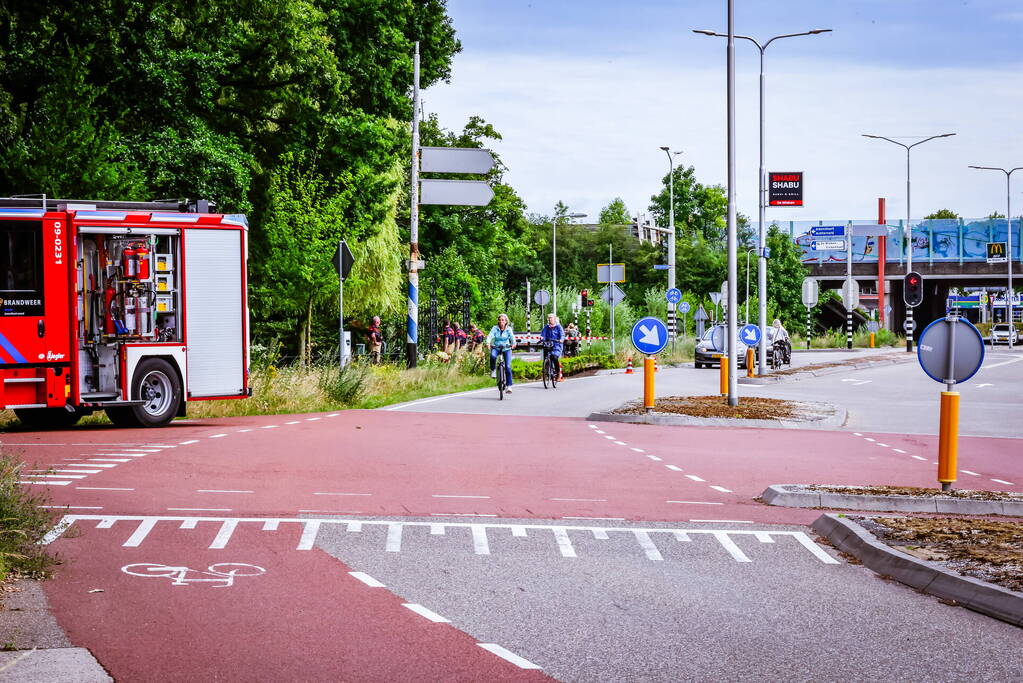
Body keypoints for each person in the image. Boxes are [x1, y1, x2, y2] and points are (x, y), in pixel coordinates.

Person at [486, 313, 516, 393]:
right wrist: (488, 343)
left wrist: (513, 343)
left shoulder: (508, 329)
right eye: (499, 320)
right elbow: (490, 335)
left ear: (506, 321)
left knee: (508, 366)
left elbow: (512, 337)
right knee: (492, 356)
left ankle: (509, 386)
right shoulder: (495, 328)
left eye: (503, 320)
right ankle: (493, 370)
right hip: (496, 347)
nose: (501, 321)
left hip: (506, 348)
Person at [539, 313, 565, 379]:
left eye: (551, 317)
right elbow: (543, 334)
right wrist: (542, 339)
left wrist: (561, 340)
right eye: (548, 318)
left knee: (554, 357)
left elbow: (562, 335)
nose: (549, 319)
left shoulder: (558, 327)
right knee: (546, 358)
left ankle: (558, 372)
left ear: (554, 319)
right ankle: (546, 372)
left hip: (557, 346)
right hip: (548, 345)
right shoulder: (546, 327)